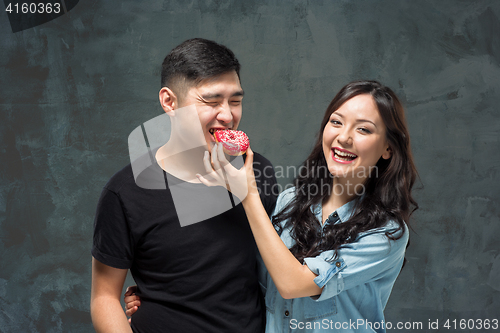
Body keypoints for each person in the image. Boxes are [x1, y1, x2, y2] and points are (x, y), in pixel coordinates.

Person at [127, 80, 419, 333]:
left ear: (388, 149)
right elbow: (236, 271)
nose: (343, 137)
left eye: (364, 130)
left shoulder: (386, 233)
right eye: (337, 121)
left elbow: (293, 284)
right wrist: (160, 294)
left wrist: (247, 194)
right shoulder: (289, 202)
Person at [90, 38, 277, 333]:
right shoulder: (125, 192)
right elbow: (104, 297)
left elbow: (277, 269)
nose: (228, 116)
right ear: (169, 102)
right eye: (211, 101)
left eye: (235, 101)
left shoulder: (258, 172)